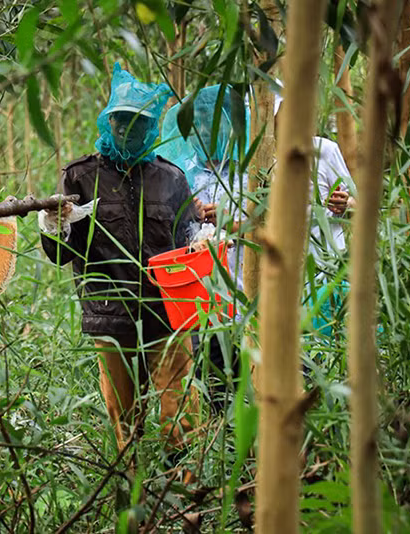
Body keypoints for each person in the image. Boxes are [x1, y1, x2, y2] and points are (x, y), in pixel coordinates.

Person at [38, 64, 201, 470]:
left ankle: (184, 494)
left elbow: (186, 242)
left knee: (178, 414)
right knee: (124, 422)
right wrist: (53, 226)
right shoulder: (80, 177)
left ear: (152, 126)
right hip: (110, 319)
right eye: (122, 119)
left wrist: (201, 240)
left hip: (168, 316)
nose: (130, 129)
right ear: (109, 120)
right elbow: (62, 254)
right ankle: (133, 496)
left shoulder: (171, 178)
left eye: (139, 122)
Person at [159, 85, 250, 410]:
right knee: (214, 380)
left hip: (249, 288)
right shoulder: (183, 174)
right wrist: (189, 213)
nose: (206, 132)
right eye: (198, 123)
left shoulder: (252, 172)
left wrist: (230, 222)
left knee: (252, 375)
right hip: (202, 294)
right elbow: (170, 230)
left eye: (214, 124)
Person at [274, 92, 356, 337]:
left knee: (329, 349)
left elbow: (358, 204)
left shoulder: (324, 150)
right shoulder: (262, 159)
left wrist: (346, 205)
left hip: (327, 272)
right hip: (283, 279)